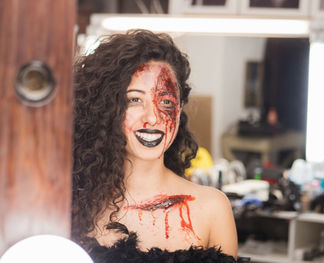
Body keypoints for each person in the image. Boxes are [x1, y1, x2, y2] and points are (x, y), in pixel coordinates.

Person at [72, 29, 238, 262]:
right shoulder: (76, 206)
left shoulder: (213, 208)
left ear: (179, 110)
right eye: (135, 100)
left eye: (166, 101)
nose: (153, 117)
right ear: (107, 109)